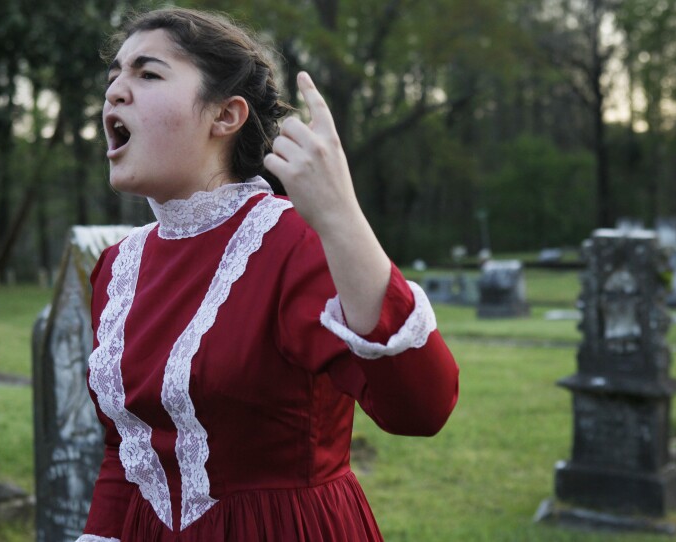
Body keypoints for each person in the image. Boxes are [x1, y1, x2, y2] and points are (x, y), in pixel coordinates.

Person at [78, 7, 459, 542]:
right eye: (114, 74)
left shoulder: (290, 245)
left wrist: (340, 216)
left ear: (225, 116)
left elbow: (422, 407)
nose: (115, 90)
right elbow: (127, 451)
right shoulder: (118, 268)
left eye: (148, 73)